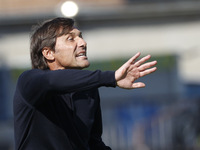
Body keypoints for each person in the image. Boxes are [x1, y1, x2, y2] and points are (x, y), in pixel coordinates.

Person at [13, 17, 157, 150]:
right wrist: (111, 77)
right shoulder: (30, 81)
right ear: (48, 53)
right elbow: (52, 81)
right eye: (71, 39)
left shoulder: (88, 91)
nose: (82, 43)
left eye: (80, 37)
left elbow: (93, 144)